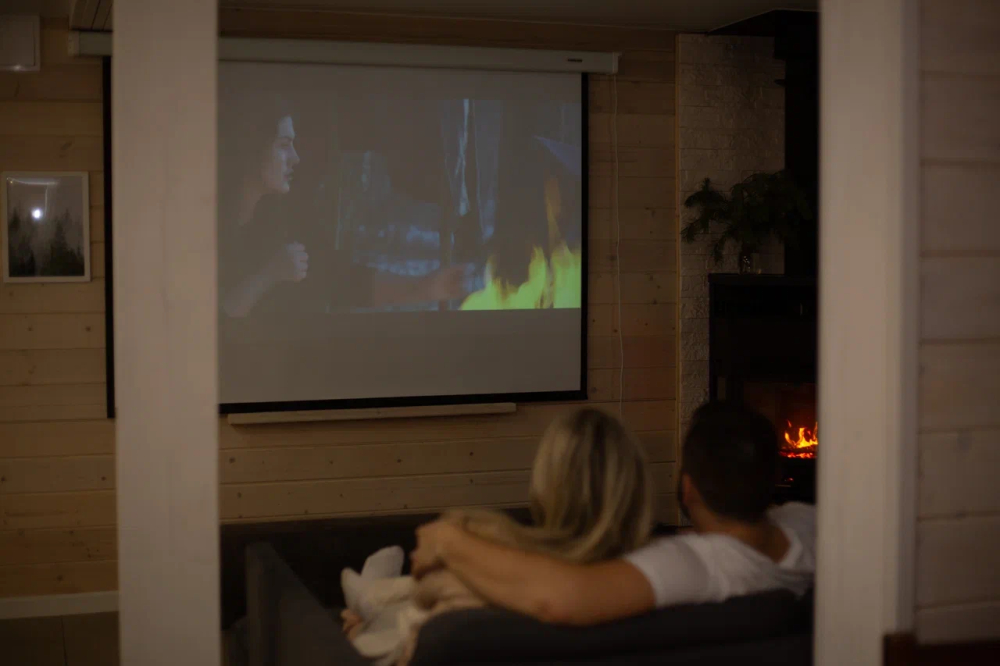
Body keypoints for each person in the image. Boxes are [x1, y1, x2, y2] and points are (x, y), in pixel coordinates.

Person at [409, 401, 816, 627]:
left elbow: (559, 599)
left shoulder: (699, 565)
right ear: (774, 480)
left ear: (687, 488)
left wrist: (448, 539)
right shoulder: (809, 525)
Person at [339, 407, 655, 665]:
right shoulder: (653, 587)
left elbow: (412, 651)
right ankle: (370, 598)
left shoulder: (493, 588)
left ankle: (367, 602)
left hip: (412, 634)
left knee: (394, 608)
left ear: (550, 481)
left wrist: (354, 639)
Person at [217, 96, 469, 320]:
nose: (296, 157)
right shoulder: (210, 225)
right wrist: (268, 275)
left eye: (293, 145)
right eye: (283, 145)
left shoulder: (286, 220)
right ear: (254, 146)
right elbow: (215, 321)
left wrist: (428, 287)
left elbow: (341, 280)